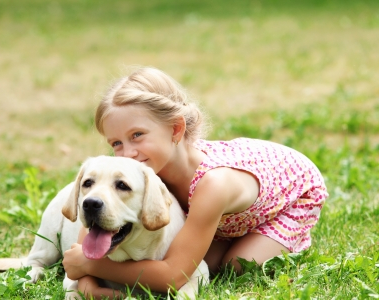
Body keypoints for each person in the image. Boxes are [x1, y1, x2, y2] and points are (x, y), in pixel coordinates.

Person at [62, 67, 328, 299]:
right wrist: (84, 280)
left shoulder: (213, 184)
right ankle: (219, 232)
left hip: (292, 195)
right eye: (116, 143)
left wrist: (91, 268)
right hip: (222, 209)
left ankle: (288, 238)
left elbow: (172, 276)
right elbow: (88, 242)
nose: (127, 153)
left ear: (176, 130)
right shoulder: (147, 167)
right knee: (197, 262)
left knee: (235, 266)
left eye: (137, 135)